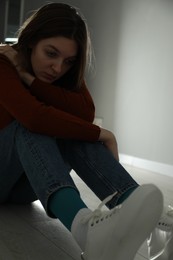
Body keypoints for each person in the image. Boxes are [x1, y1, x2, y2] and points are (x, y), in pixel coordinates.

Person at [0, 3, 165, 260]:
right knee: (31, 125)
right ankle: (86, 230)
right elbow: (33, 117)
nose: (57, 68)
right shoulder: (3, 61)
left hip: (25, 188)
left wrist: (29, 78)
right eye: (51, 53)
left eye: (68, 61)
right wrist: (103, 134)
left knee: (68, 126)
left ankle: (148, 216)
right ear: (31, 41)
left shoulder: (59, 76)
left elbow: (85, 112)